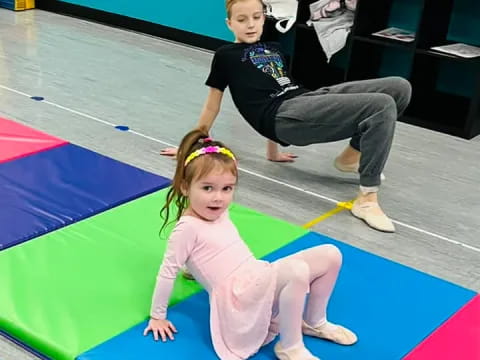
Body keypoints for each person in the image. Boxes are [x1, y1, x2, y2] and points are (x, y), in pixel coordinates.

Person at [161, 0, 412, 232]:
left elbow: (272, 87)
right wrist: (190, 145)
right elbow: (213, 105)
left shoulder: (275, 48)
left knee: (399, 87)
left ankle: (351, 157)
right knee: (381, 105)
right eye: (242, 19)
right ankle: (367, 198)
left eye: (256, 17)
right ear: (229, 24)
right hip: (282, 116)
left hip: (302, 99)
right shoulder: (225, 56)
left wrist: (273, 153)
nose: (250, 24)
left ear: (263, 18)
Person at [144, 129, 357, 360]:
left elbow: (211, 250)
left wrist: (192, 269)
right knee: (297, 271)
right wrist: (158, 316)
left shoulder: (216, 212)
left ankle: (315, 322)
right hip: (238, 301)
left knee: (330, 254)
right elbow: (168, 271)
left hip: (255, 277)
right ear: (186, 187)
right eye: (208, 188)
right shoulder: (187, 228)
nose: (219, 197)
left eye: (227, 188)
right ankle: (290, 346)